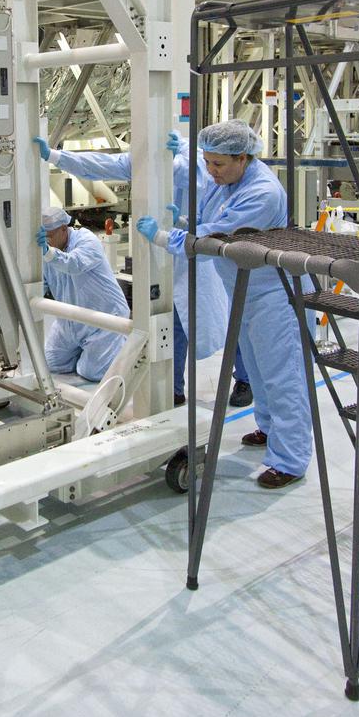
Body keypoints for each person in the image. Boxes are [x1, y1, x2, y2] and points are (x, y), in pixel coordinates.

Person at [135, 118, 313, 489]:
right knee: (259, 370)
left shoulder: (262, 192)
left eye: (218, 163)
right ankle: (268, 428)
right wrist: (184, 218)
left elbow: (215, 236)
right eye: (206, 162)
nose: (211, 170)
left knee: (283, 376)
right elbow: (209, 219)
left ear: (243, 157)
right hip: (244, 290)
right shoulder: (226, 183)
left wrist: (166, 237)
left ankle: (290, 460)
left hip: (276, 295)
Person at [33, 134, 250, 407]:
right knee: (172, 325)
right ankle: (173, 388)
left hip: (203, 255)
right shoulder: (146, 161)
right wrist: (55, 156)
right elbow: (101, 165)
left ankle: (245, 379)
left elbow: (198, 183)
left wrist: (175, 170)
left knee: (230, 317)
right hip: (164, 257)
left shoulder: (195, 162)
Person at [37, 207, 129, 382]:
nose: (47, 241)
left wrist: (48, 253)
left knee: (91, 373)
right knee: (52, 364)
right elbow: (41, 285)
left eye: (50, 236)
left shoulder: (87, 240)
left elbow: (74, 264)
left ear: (64, 228)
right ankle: (89, 351)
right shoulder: (46, 251)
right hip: (69, 321)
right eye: (44, 236)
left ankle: (119, 343)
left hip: (103, 319)